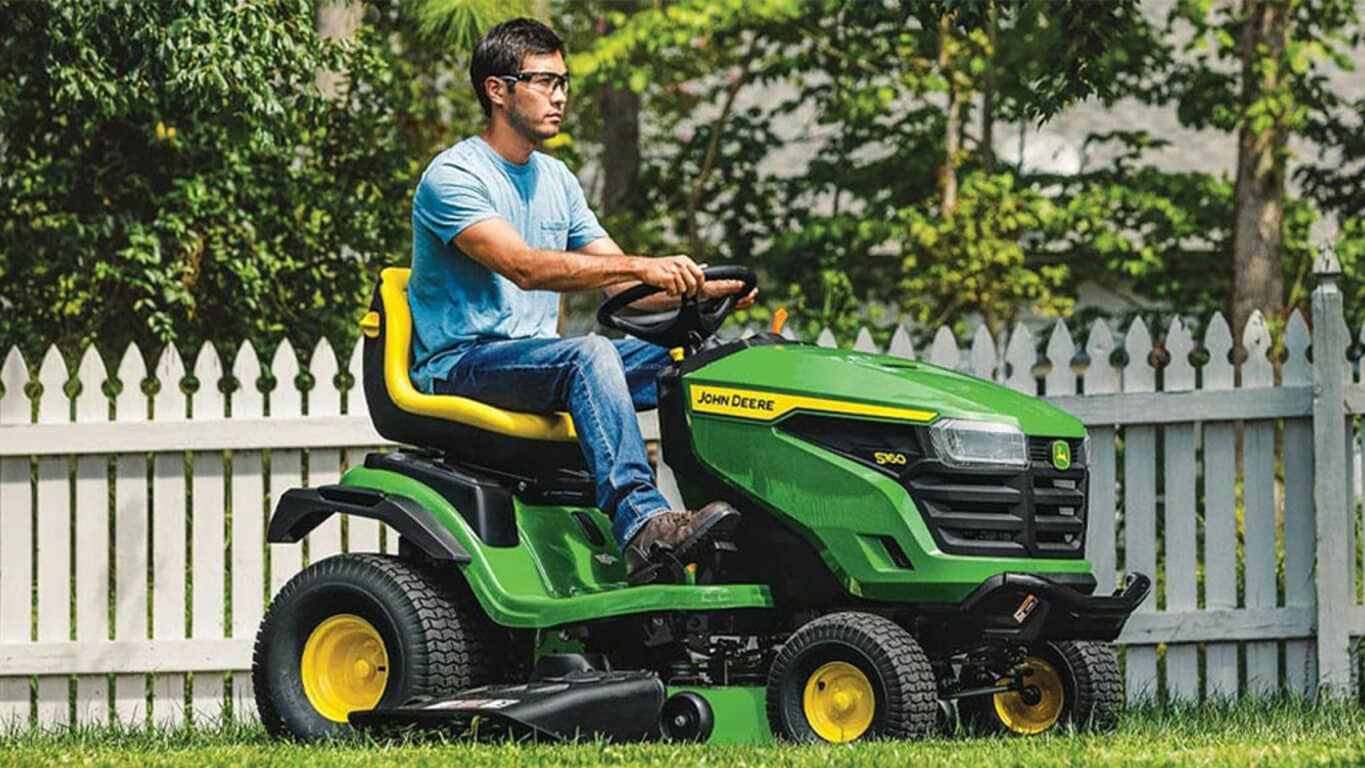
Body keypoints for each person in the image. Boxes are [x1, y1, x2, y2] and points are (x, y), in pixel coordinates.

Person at [407, 18, 754, 580]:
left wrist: (704, 292)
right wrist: (642, 264)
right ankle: (644, 526)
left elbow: (623, 290)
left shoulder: (557, 179)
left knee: (704, 361)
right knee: (588, 355)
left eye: (564, 82)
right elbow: (523, 267)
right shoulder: (453, 176)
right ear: (498, 89)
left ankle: (741, 521)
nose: (561, 96)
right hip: (463, 363)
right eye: (546, 81)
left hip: (536, 362)